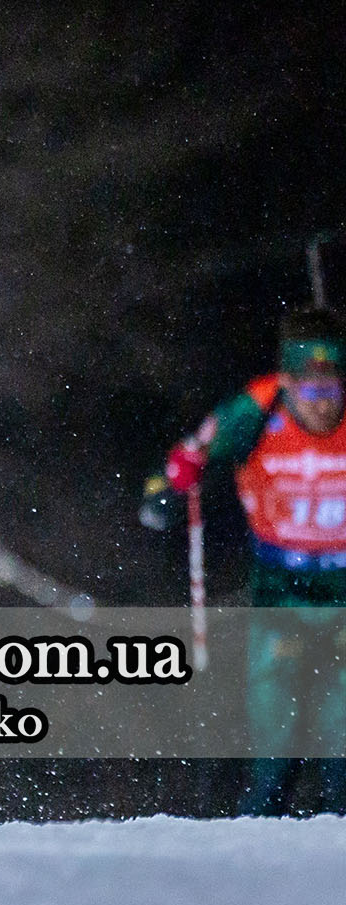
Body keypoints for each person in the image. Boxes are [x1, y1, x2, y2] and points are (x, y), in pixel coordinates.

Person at [146, 307, 346, 814]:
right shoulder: (256, 409)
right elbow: (189, 455)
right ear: (289, 381)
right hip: (281, 590)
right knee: (276, 749)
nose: (323, 406)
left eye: (333, 390)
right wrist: (166, 492)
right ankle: (257, 852)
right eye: (311, 391)